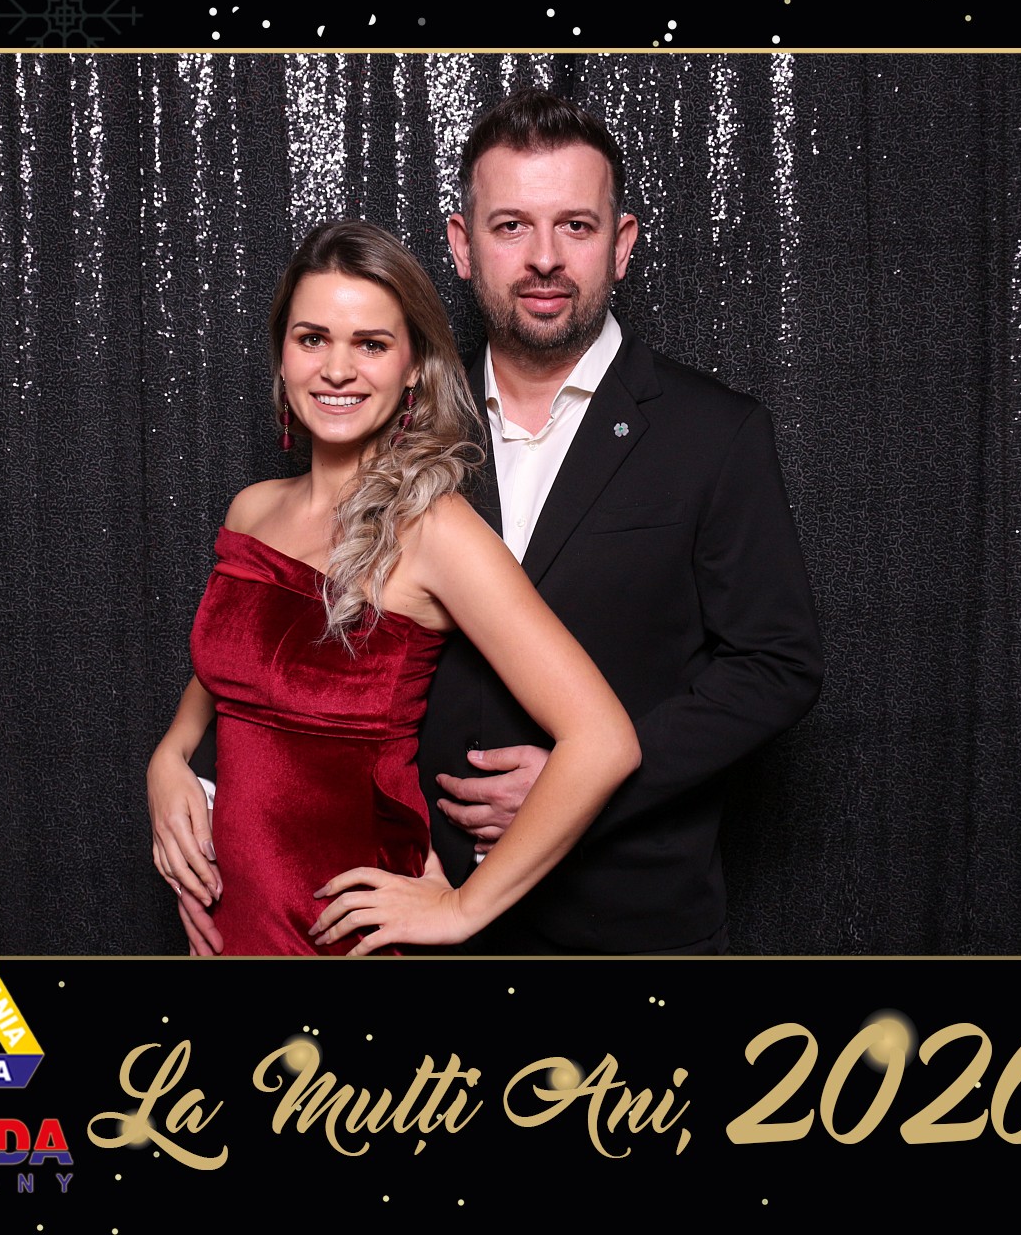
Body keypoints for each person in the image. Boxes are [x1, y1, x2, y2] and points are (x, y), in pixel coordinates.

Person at [146, 219, 639, 956]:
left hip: (346, 937)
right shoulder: (252, 510)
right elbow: (234, 669)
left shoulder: (436, 530)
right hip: (229, 928)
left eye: (371, 345)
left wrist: (463, 907)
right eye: (313, 339)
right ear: (283, 354)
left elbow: (603, 741)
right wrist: (169, 758)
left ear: (413, 367)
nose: (337, 370)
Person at [418, 88, 825, 953]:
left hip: (633, 923)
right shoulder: (407, 432)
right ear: (462, 245)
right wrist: (193, 773)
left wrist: (587, 782)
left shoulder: (715, 434)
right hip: (427, 911)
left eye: (576, 225)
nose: (544, 258)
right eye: (510, 226)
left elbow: (777, 665)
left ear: (622, 243)